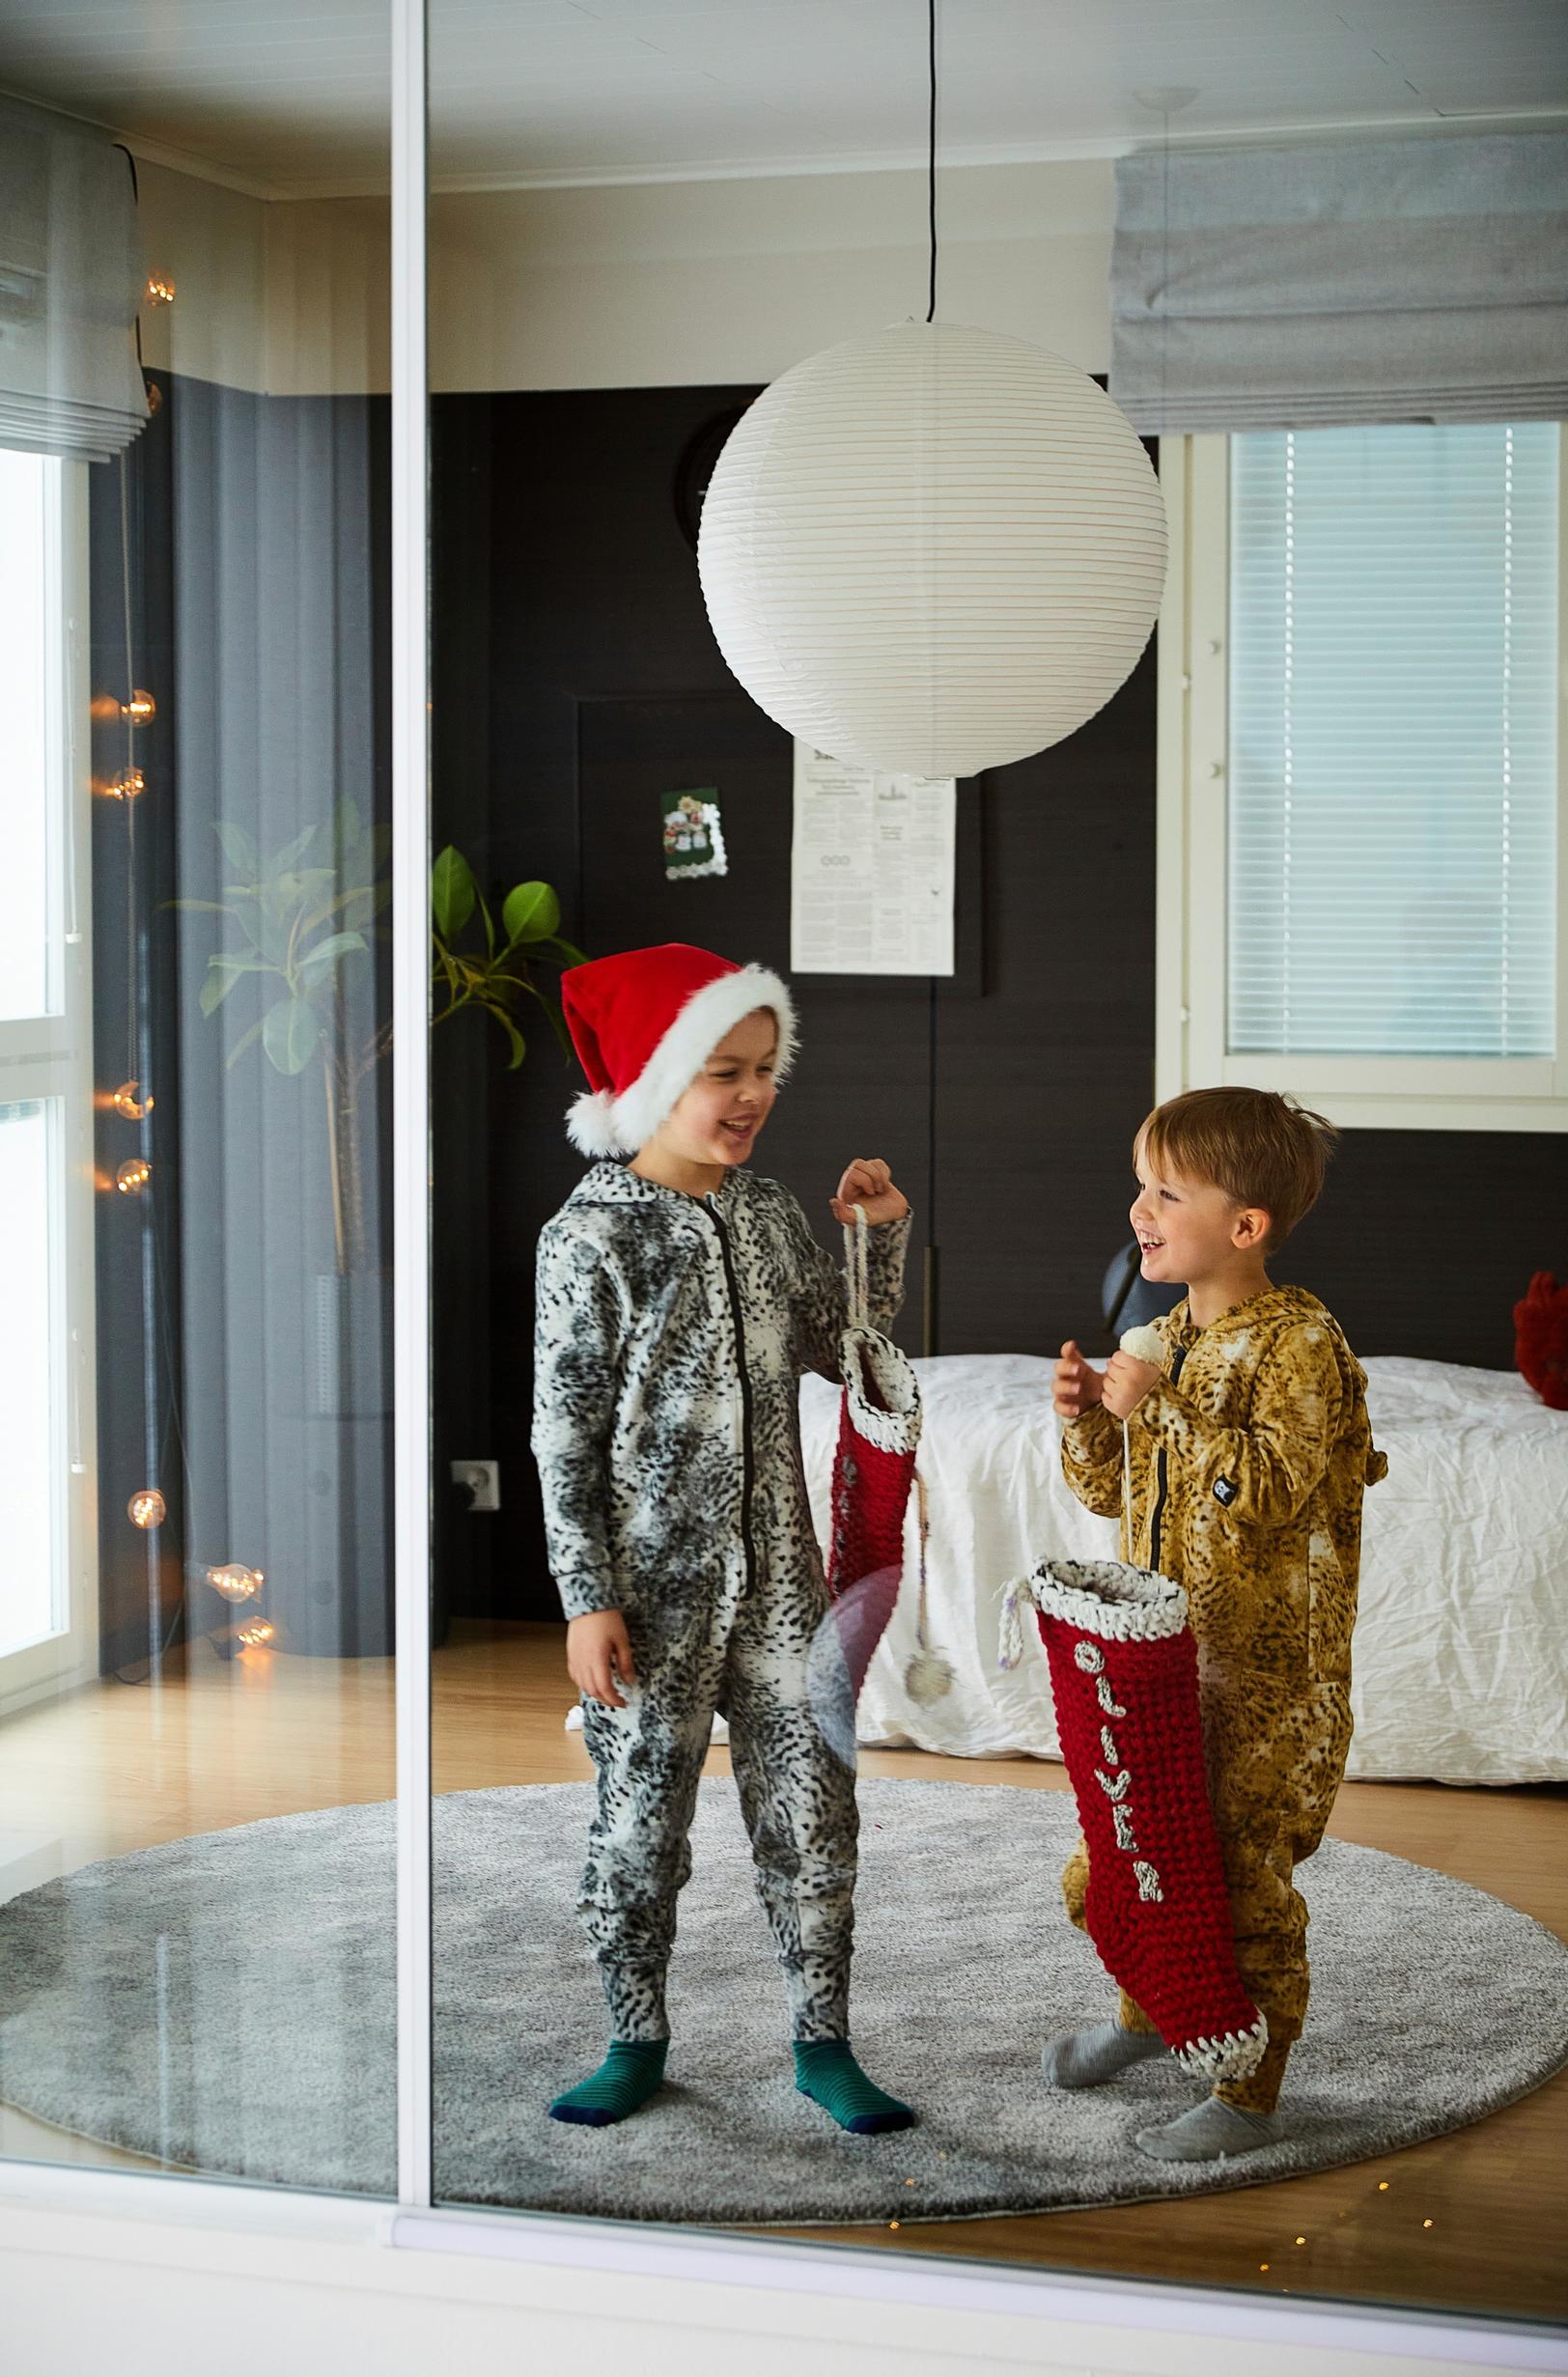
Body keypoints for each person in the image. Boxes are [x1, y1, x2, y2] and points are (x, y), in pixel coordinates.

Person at [532, 940, 916, 2135]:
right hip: (651, 1590)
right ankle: (632, 2032)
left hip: (782, 1593)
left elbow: (844, 1351)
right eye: (721, 1069)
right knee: (640, 1821)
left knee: (814, 1813)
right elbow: (564, 1431)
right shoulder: (588, 1237)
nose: (751, 1093)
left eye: (764, 1067)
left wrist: (874, 1238)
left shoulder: (766, 1216)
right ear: (651, 1076)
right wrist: (585, 1594)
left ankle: (823, 2037)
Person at [1049, 1086, 1386, 2163]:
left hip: (1265, 1678)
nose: (1139, 1208)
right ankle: (1156, 2013)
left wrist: (1162, 1405)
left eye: (1166, 1191)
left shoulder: (1299, 1345)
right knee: (1137, 1847)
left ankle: (1249, 2089)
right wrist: (1092, 1420)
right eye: (1139, 1185)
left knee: (1238, 1872)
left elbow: (1266, 1488)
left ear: (1244, 1227)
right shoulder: (1158, 1335)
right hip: (1161, 1657)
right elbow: (1117, 1496)